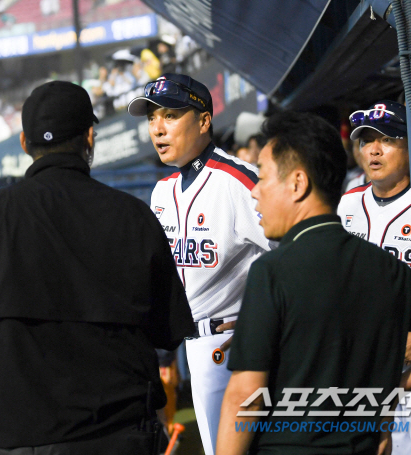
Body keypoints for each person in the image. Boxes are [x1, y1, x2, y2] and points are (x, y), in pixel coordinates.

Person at [0, 81, 194, 455]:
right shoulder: (133, 216)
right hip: (116, 436)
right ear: (89, 137)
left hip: (20, 438)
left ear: (23, 143)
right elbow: (168, 331)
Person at [217, 111, 411, 455]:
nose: (254, 192)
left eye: (263, 177)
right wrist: (395, 389)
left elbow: (244, 395)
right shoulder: (388, 268)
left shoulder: (272, 271)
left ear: (297, 183)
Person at [128, 74, 273, 455]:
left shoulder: (240, 181)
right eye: (151, 117)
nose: (158, 128)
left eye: (171, 115)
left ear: (204, 121)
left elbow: (296, 256)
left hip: (237, 347)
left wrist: (265, 324)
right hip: (192, 345)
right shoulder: (162, 191)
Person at [337, 100, 411, 454]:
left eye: (386, 138)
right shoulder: (347, 204)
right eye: (365, 140)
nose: (373, 149)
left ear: (410, 144)